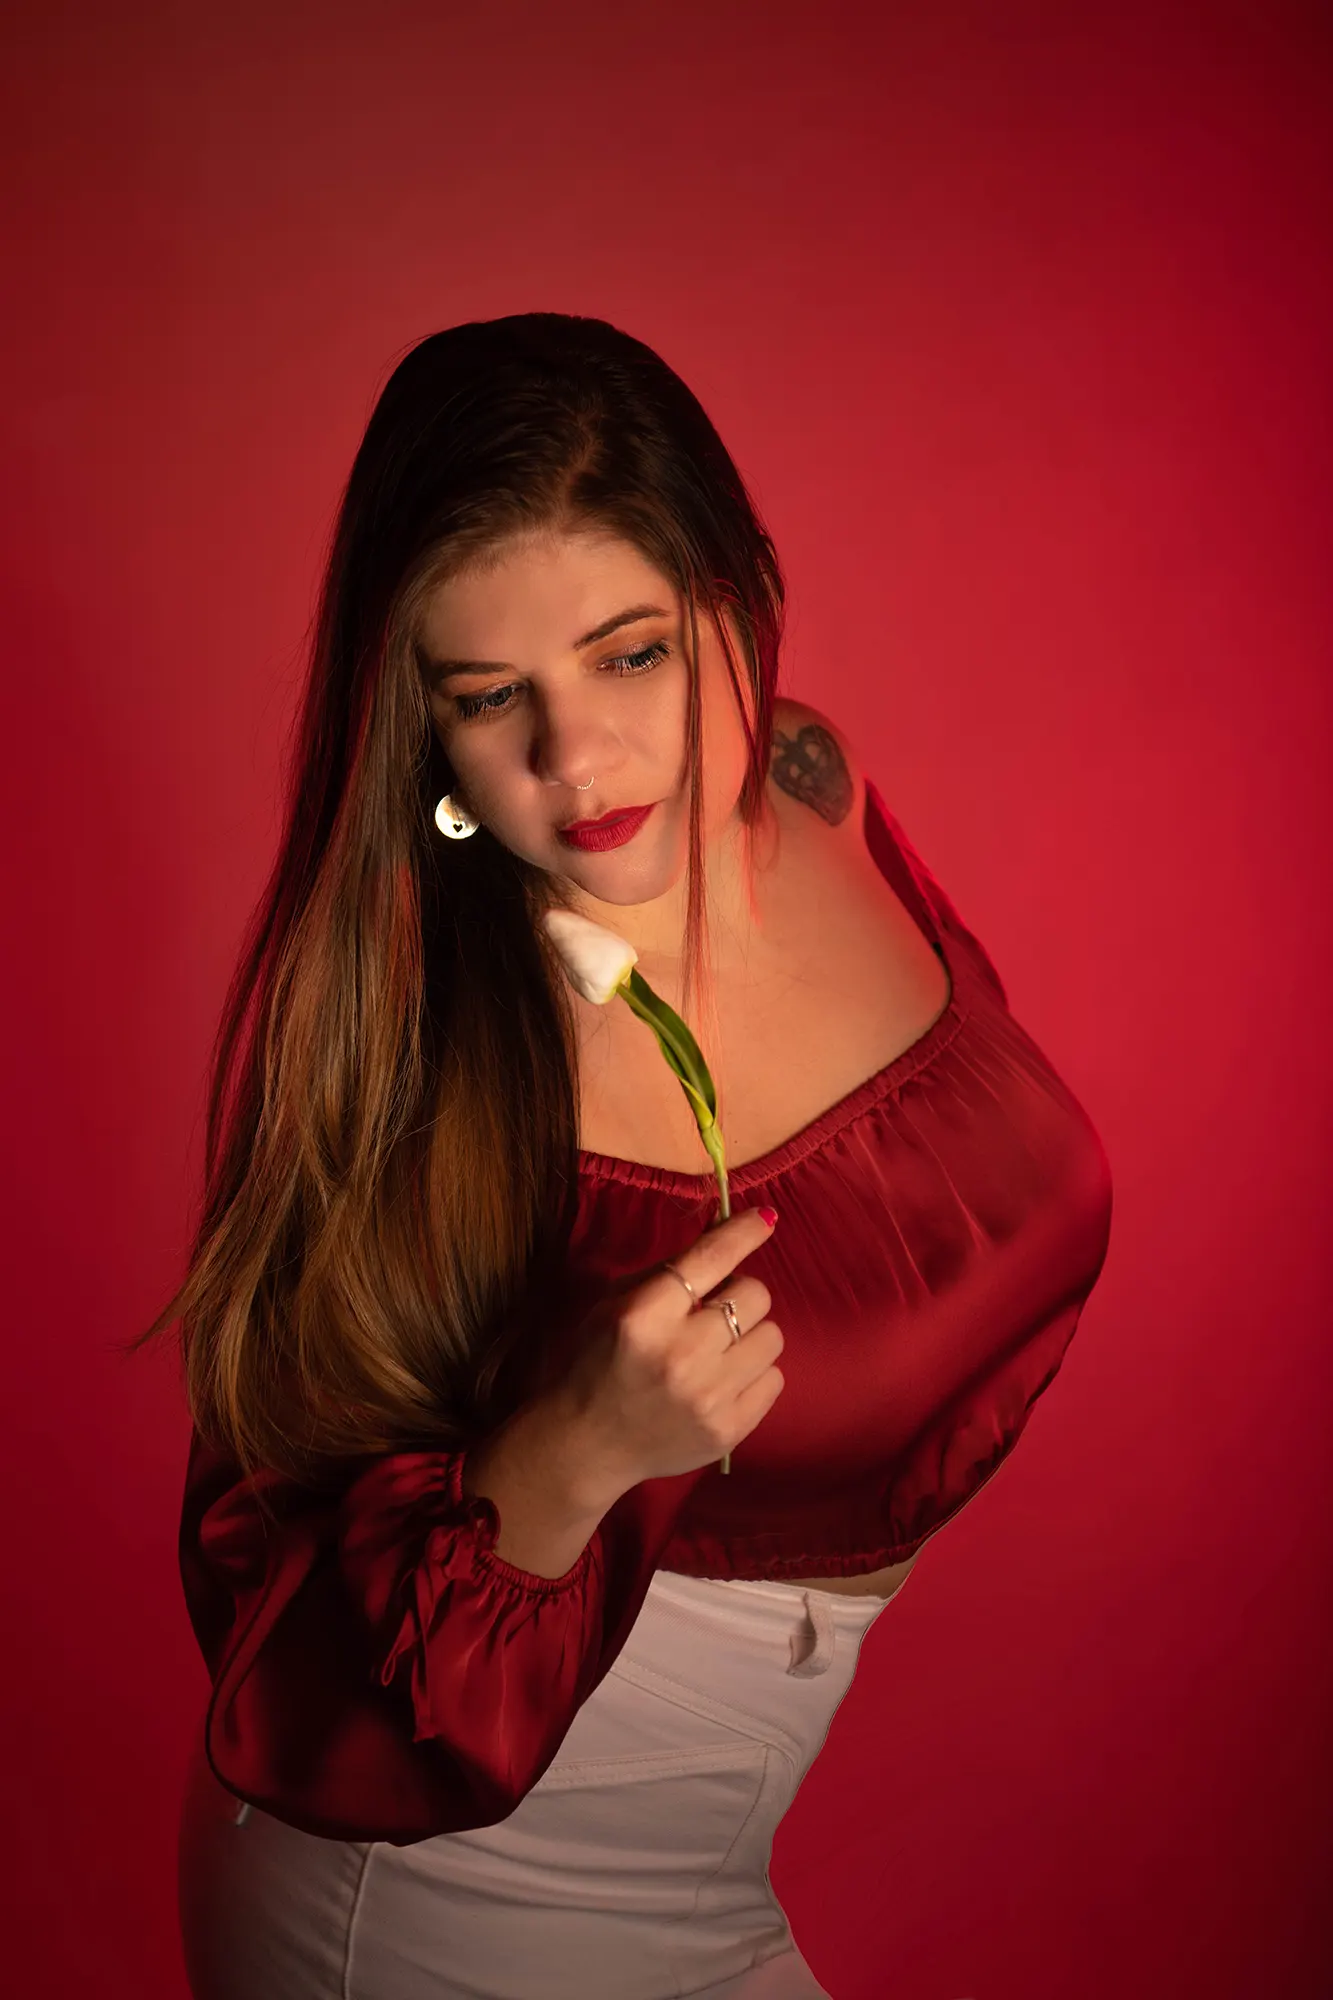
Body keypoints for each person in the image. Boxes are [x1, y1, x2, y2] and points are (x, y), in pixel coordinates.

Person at [137, 312, 1114, 1999]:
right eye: (487, 697)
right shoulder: (439, 1064)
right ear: (418, 728)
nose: (575, 763)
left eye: (629, 655)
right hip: (456, 1888)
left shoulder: (811, 784)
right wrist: (574, 1455)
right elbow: (291, 1672)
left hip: (716, 1846)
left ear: (736, 596)